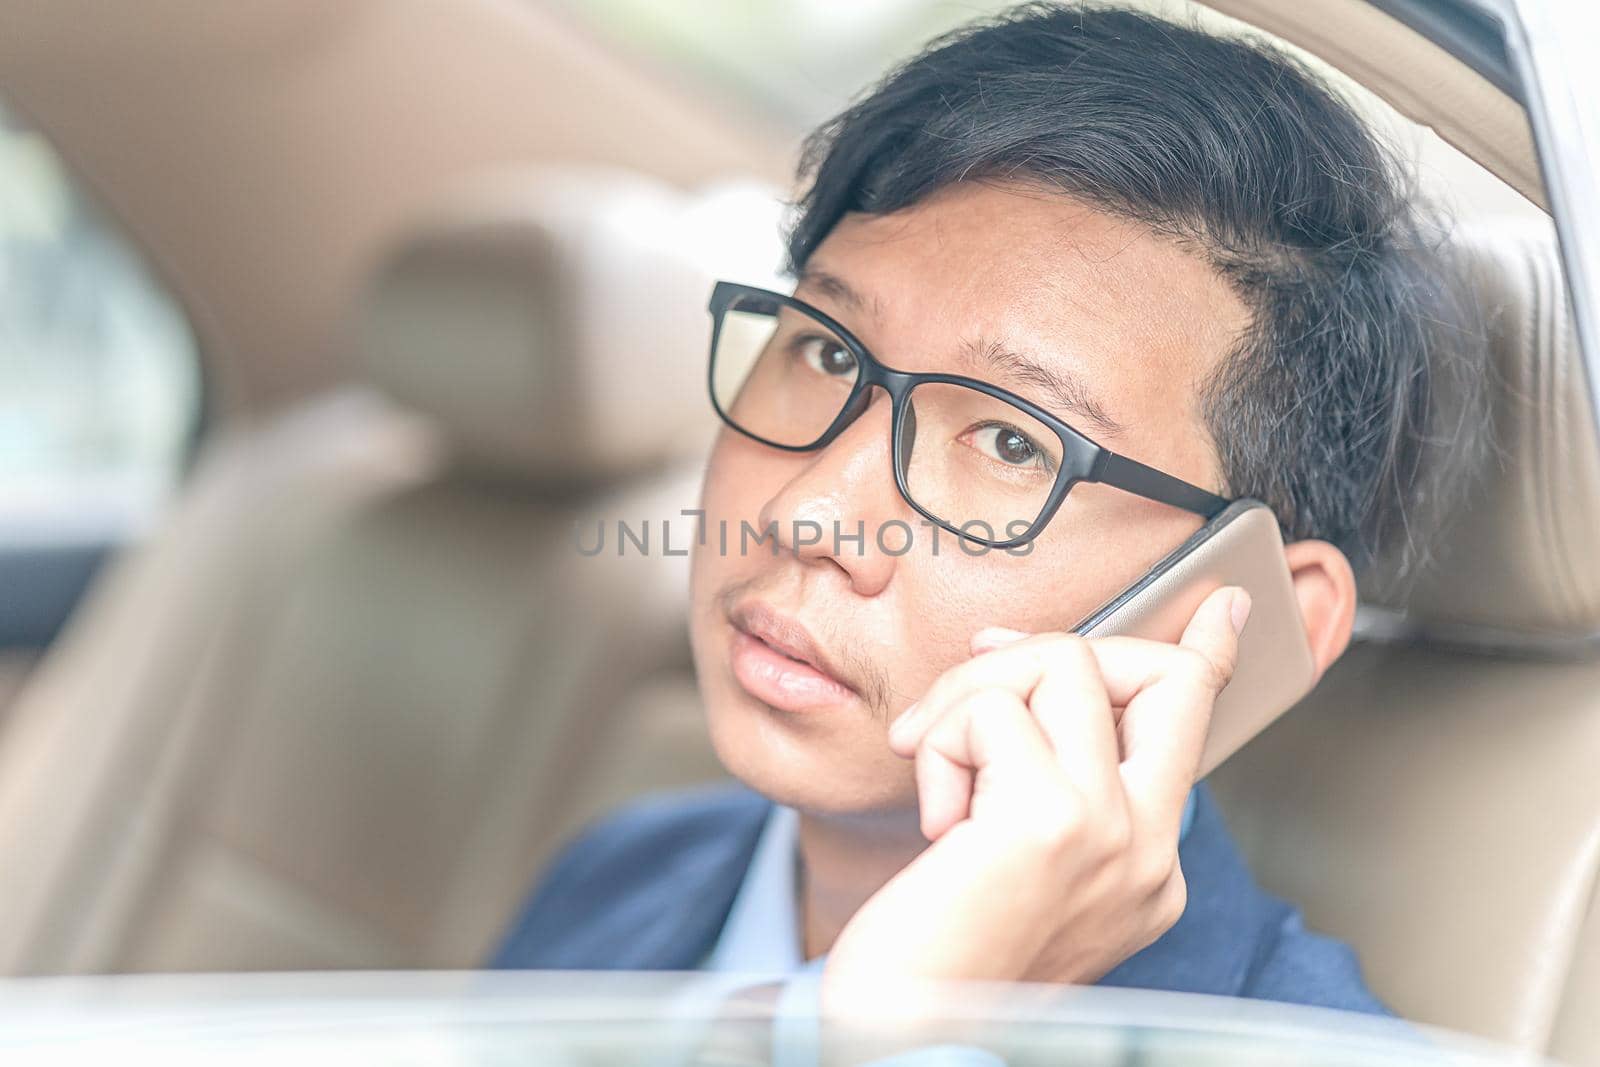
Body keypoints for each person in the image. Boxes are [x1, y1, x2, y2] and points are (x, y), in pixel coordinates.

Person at [496, 2, 1475, 1017]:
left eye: (1013, 442)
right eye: (826, 351)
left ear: (1257, 607)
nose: (810, 513)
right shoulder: (615, 879)